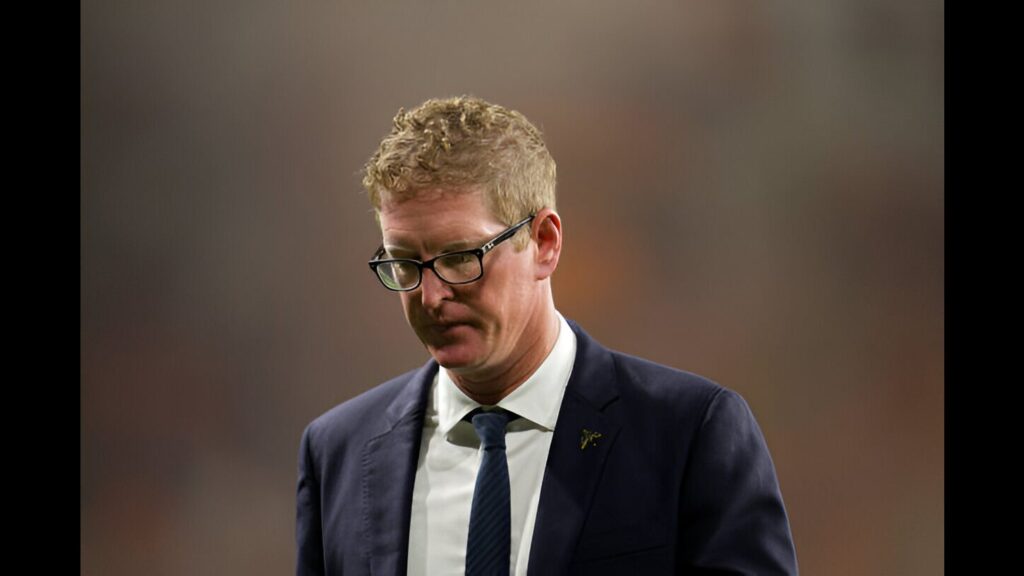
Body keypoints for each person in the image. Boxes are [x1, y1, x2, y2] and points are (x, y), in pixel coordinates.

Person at [295, 95, 798, 575]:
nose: (430, 297)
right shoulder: (337, 452)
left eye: (458, 258)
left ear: (544, 243)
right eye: (405, 263)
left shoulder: (689, 435)